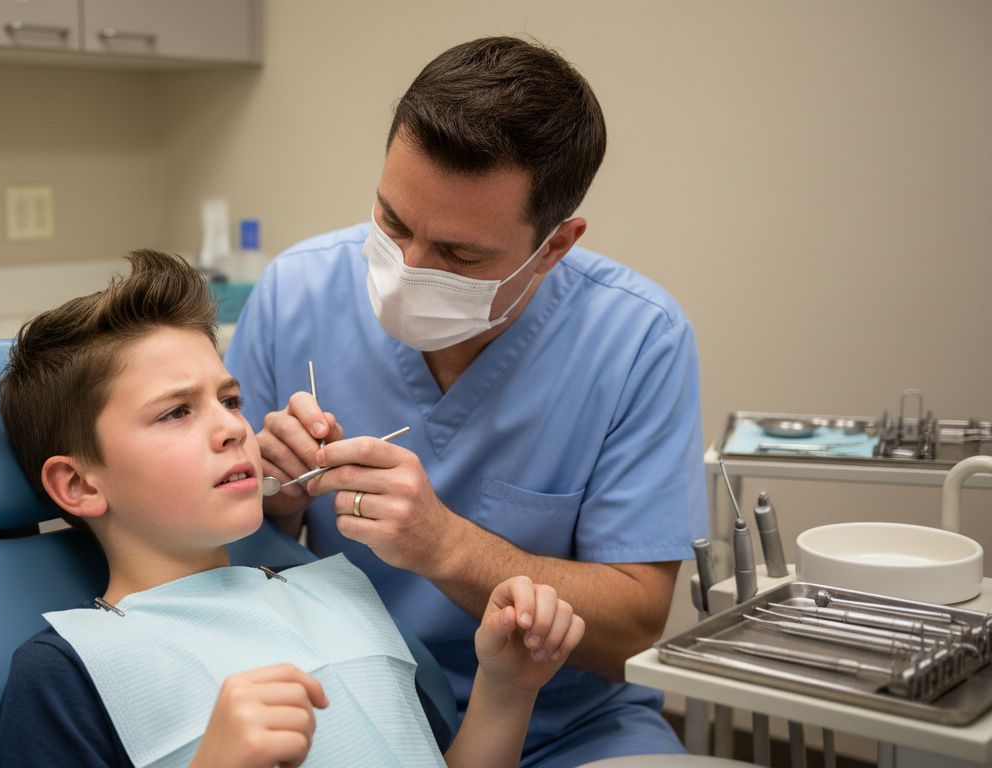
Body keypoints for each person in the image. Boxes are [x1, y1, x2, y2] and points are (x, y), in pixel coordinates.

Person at [225, 36, 708, 765]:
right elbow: (215, 559)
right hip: (342, 710)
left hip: (566, 731)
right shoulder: (296, 294)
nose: (406, 271)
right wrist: (276, 498)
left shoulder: (638, 338)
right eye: (392, 222)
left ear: (556, 244)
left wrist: (447, 547)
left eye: (459, 256)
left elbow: (633, 626)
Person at [0, 249, 586, 767]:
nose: (231, 427)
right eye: (176, 411)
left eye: (230, 399)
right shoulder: (71, 671)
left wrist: (506, 689)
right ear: (78, 485)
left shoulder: (336, 597)